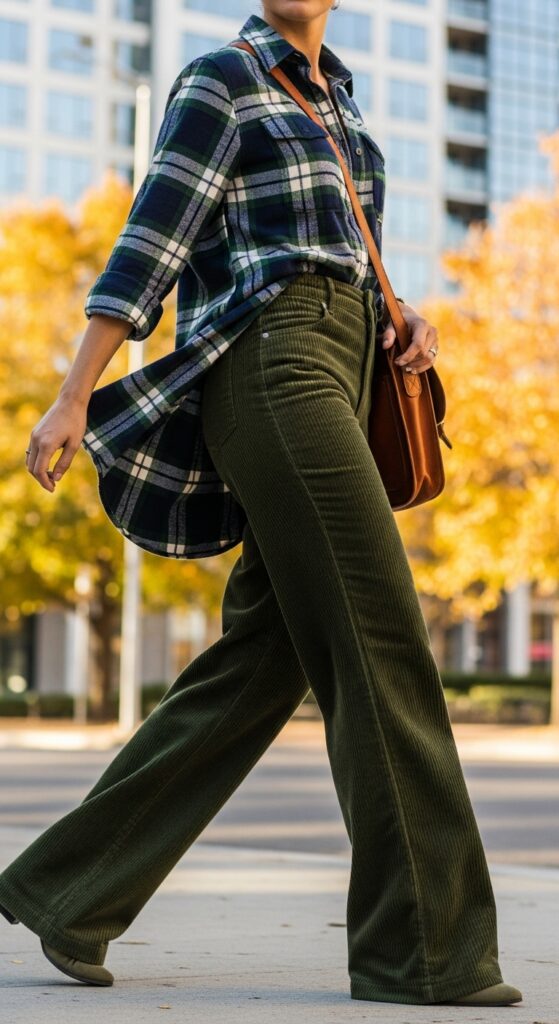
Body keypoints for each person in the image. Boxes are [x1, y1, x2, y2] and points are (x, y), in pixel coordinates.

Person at [0, 0, 522, 1007]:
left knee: (263, 660)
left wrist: (400, 314)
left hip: (344, 359)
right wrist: (74, 394)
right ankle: (423, 947)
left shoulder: (345, 109)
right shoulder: (221, 77)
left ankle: (68, 889)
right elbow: (150, 241)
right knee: (382, 632)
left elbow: (336, 256)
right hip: (271, 364)